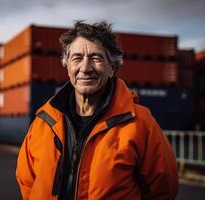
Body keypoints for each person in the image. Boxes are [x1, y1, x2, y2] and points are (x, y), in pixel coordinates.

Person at [16, 20, 179, 200]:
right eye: (77, 58)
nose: (85, 68)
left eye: (96, 58)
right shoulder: (43, 123)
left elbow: (163, 190)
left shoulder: (141, 124)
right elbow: (27, 182)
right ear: (67, 66)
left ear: (112, 68)